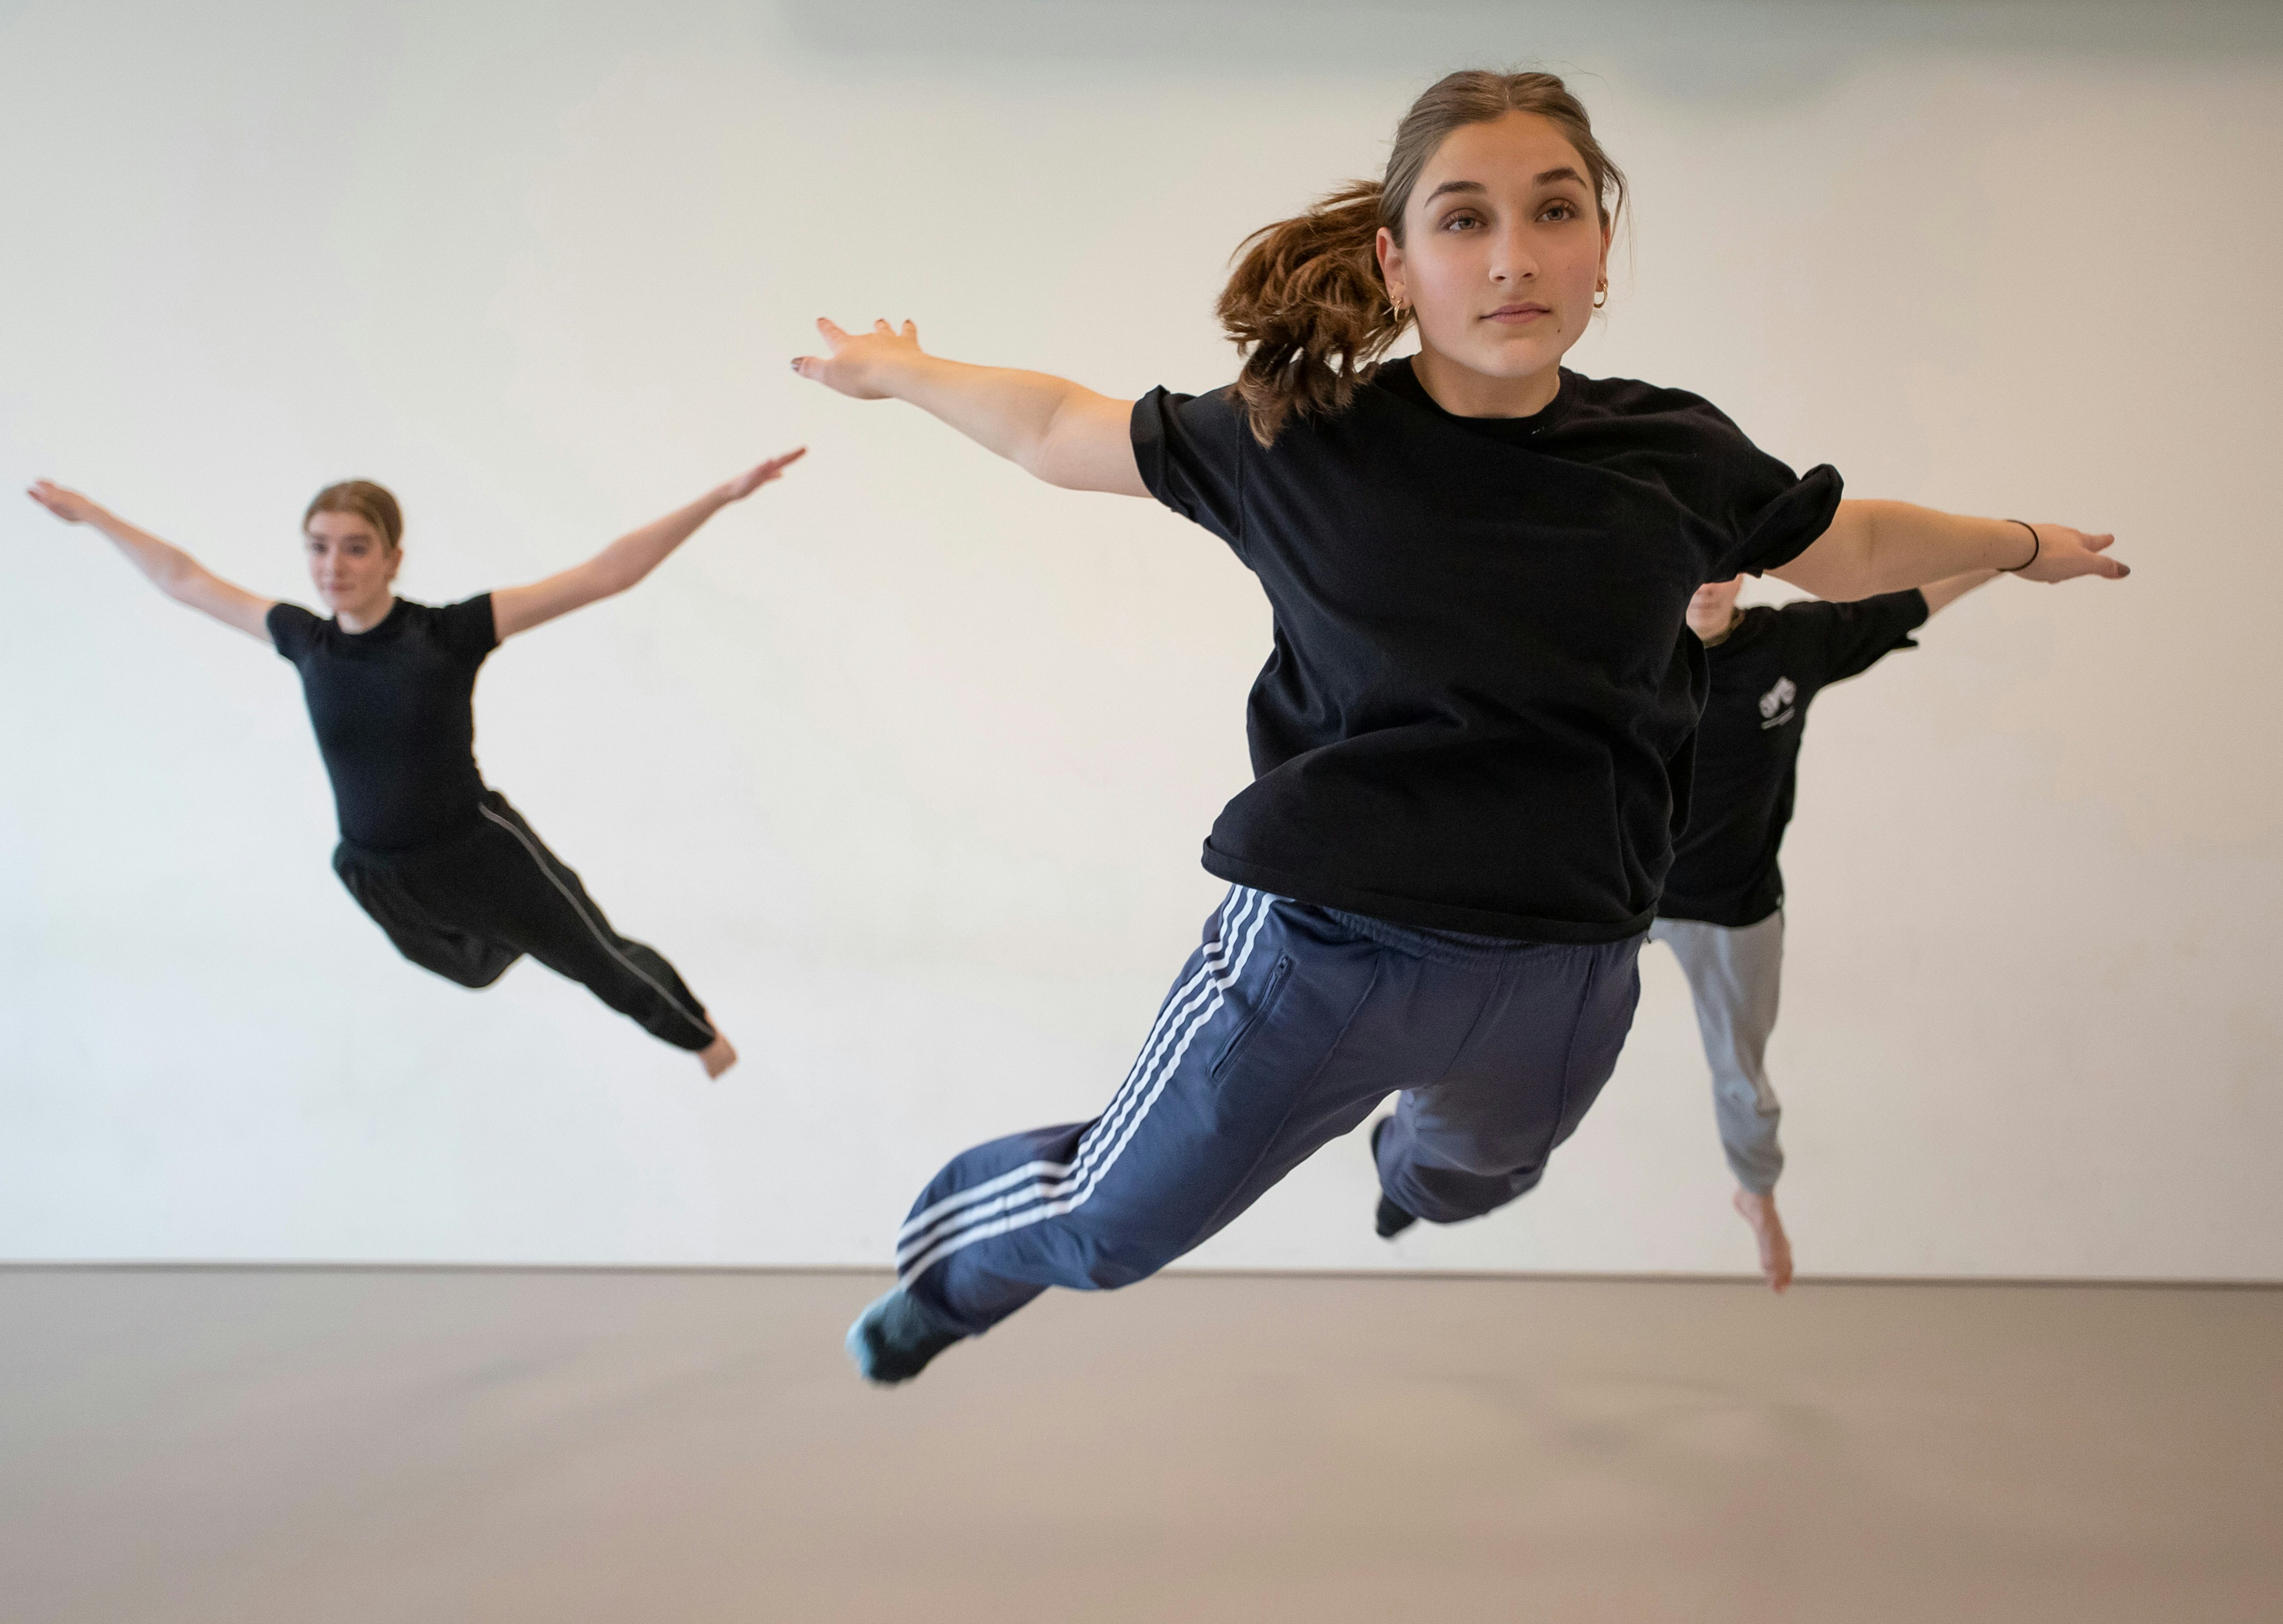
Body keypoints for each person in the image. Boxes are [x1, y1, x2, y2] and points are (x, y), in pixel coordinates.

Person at [794, 70, 2125, 1384]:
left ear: (1602, 247)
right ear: (1395, 261)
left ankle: (1404, 1172)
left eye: (1554, 212)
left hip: (1567, 966)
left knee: (1475, 1177)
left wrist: (2017, 545)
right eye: (1463, 220)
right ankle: (946, 1282)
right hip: (1324, 950)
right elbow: (1053, 429)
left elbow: (1854, 546)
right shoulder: (1297, 439)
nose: (1512, 258)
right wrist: (906, 373)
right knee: (1114, 1223)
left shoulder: (1674, 455)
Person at [26, 451, 805, 1074]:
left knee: (596, 959)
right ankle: (519, 941)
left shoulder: (449, 633)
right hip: (376, 870)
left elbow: (605, 573)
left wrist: (720, 497)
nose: (335, 565)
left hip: (477, 848)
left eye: (356, 547)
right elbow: (184, 578)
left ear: (393, 557)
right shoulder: (306, 641)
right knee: (471, 975)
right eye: (320, 548)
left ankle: (707, 1044)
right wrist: (90, 514)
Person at [1659, 569, 1998, 1290]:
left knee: (1743, 1080)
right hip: (1620, 897)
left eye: (1721, 566)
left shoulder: (1795, 643)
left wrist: (2010, 554)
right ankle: (1428, 1159)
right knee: (1523, 1034)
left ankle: (1757, 1192)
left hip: (1735, 904)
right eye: (1689, 563)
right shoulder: (1621, 647)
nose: (1704, 584)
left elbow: (1906, 601)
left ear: (1746, 573)